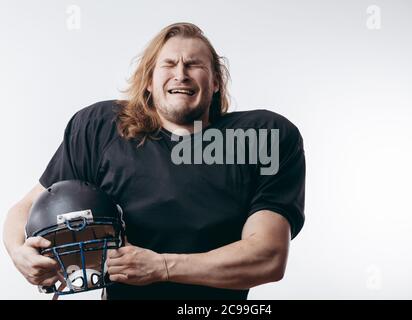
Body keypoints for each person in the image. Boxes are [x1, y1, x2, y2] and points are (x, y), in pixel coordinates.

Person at [2, 22, 306, 300]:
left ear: (215, 82)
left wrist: (162, 266)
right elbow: (26, 209)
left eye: (194, 64)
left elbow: (268, 256)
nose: (181, 73)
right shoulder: (102, 128)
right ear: (149, 81)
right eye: (169, 64)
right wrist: (19, 253)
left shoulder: (262, 137)